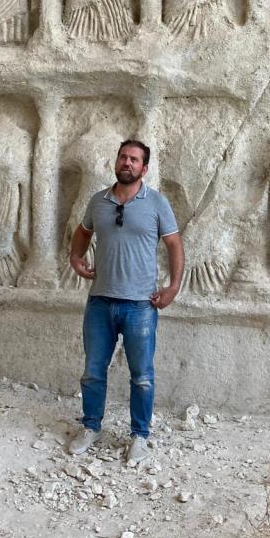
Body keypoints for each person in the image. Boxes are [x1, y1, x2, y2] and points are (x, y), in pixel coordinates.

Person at [67, 139, 184, 463]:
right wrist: (76, 257)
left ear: (144, 169)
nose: (127, 163)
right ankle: (91, 427)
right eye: (123, 157)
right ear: (116, 163)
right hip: (100, 302)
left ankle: (139, 436)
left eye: (134, 159)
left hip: (140, 306)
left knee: (142, 375)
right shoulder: (99, 201)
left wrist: (173, 287)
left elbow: (174, 245)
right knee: (92, 371)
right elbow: (83, 231)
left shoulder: (157, 203)